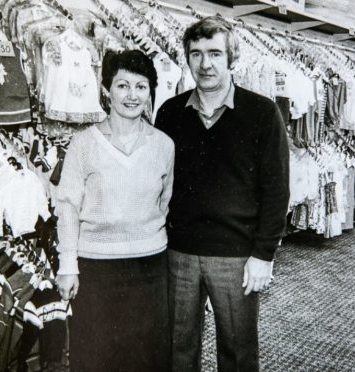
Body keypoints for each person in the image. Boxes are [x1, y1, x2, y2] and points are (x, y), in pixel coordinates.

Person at [155, 16, 290, 372]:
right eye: (196, 54)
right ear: (187, 59)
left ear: (233, 58)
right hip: (179, 252)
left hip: (236, 256)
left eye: (215, 53)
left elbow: (277, 191)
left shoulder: (263, 112)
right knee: (177, 349)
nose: (205, 63)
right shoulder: (169, 114)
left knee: (238, 351)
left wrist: (264, 254)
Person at [54, 49, 174, 372]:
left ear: (150, 92)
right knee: (95, 356)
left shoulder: (164, 145)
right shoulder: (82, 144)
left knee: (146, 358)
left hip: (149, 268)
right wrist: (68, 265)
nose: (131, 95)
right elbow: (67, 206)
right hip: (96, 269)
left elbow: (164, 202)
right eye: (122, 85)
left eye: (141, 86)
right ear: (106, 89)